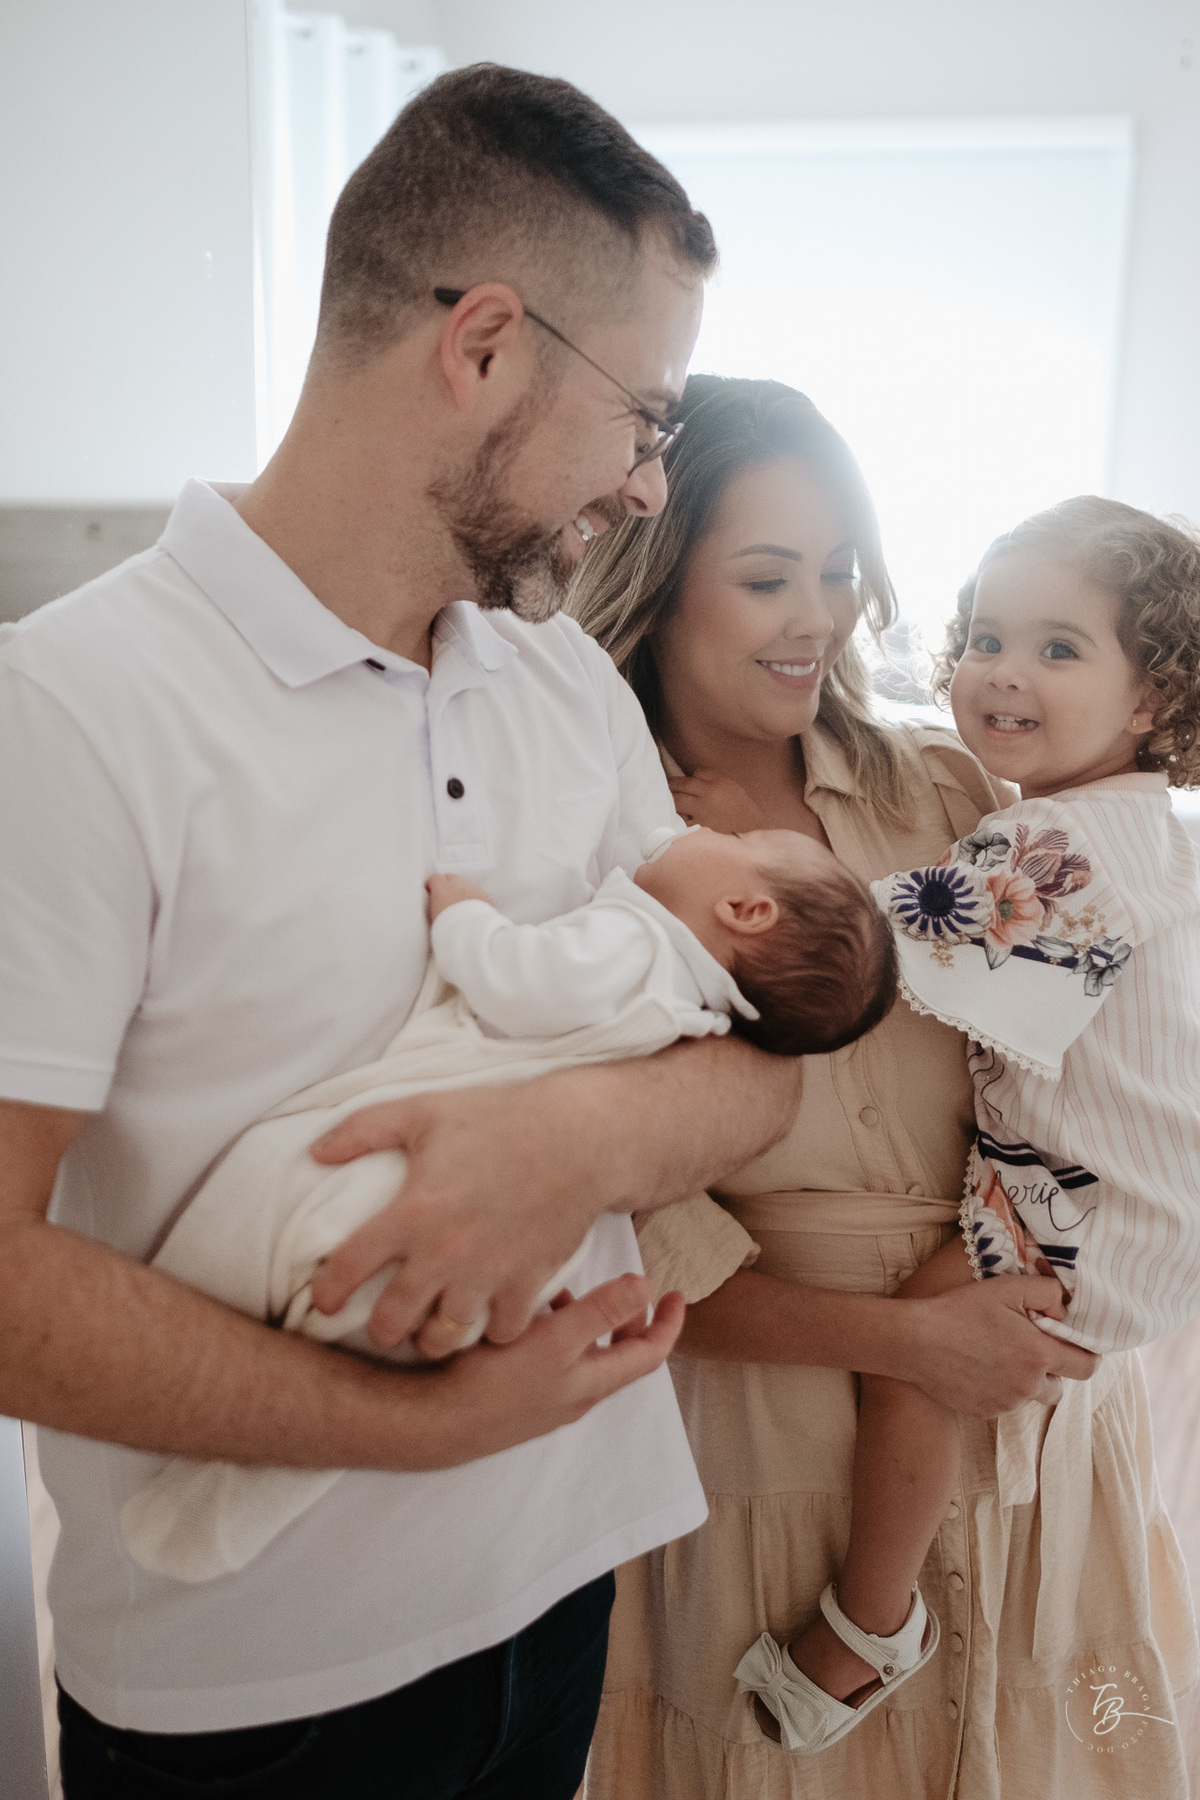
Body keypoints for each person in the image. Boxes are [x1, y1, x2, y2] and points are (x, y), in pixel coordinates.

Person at [0, 69, 819, 1800]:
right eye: (644, 419)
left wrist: (574, 1136)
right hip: (259, 1687)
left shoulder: (562, 691)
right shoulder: (65, 713)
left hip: (558, 1581)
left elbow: (756, 1063)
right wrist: (419, 1424)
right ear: (488, 347)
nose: (648, 486)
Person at [569, 375, 1195, 1799]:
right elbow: (610, 1232)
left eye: (842, 572)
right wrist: (908, 1342)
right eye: (770, 576)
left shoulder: (955, 791)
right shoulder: (601, 850)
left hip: (1034, 1411)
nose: (821, 617)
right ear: (660, 587)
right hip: (769, 1439)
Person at [119, 827, 897, 1586]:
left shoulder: (640, 945)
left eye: (739, 836)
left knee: (270, 1233)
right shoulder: (697, 1014)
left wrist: (465, 915)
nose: (699, 827)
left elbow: (521, 983)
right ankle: (229, 1499)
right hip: (506, 1230)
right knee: (349, 1329)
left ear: (746, 910)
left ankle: (210, 1456)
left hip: (426, 1169)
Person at [733, 496, 1200, 1754]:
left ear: (1154, 697)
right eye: (988, 637)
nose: (1002, 672)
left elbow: (876, 945)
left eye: (1059, 649)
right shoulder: (1135, 827)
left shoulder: (1060, 846)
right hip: (1127, 1197)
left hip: (1095, 1207)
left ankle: (871, 1622)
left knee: (923, 1342)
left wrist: (712, 885)